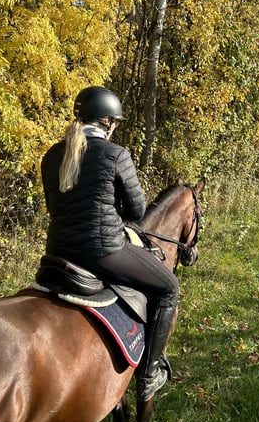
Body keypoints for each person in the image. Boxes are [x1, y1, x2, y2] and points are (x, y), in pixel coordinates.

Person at [35, 86, 179, 402]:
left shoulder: (53, 154)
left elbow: (53, 203)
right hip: (103, 252)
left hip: (57, 252)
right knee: (169, 287)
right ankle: (149, 374)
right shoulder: (116, 155)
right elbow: (138, 212)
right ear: (109, 122)